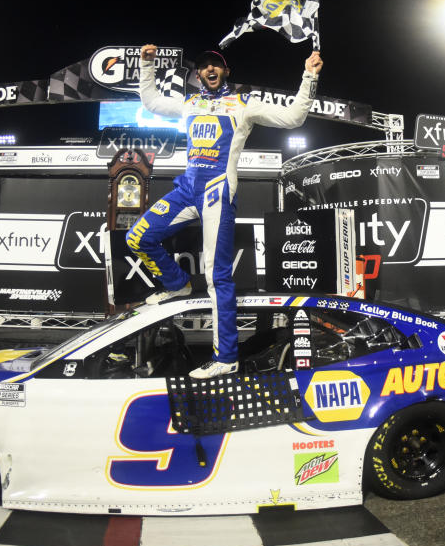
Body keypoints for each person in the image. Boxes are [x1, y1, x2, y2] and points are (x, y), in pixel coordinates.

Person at [127, 45, 323, 379]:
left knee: (217, 276)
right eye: (204, 67)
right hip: (187, 188)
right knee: (138, 237)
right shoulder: (190, 103)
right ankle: (177, 284)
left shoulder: (244, 104)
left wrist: (309, 77)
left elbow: (294, 118)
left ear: (226, 71)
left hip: (218, 191)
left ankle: (226, 357)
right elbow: (151, 102)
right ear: (198, 74)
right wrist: (147, 64)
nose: (210, 70)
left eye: (215, 65)